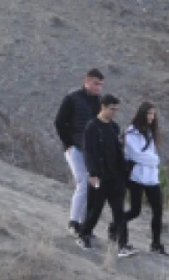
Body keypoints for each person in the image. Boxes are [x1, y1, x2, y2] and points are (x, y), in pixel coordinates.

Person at [77, 94, 136, 258]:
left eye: (116, 109)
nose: (114, 112)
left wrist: (124, 173)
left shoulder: (114, 127)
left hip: (116, 178)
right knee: (95, 210)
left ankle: (123, 245)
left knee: (119, 213)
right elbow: (88, 152)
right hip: (99, 176)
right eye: (112, 109)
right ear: (103, 107)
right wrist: (93, 173)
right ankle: (84, 235)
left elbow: (119, 152)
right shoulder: (92, 127)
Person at [54, 68, 104, 237]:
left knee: (92, 185)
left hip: (90, 151)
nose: (98, 87)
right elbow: (59, 122)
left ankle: (85, 224)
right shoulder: (72, 98)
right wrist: (68, 144)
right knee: (83, 182)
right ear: (87, 81)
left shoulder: (100, 102)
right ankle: (74, 222)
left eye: (101, 84)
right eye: (96, 83)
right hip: (74, 147)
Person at [123, 102, 168, 256]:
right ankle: (116, 225)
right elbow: (135, 155)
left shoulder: (151, 132)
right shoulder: (131, 132)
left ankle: (156, 243)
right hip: (136, 177)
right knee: (135, 211)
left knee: (158, 210)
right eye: (149, 113)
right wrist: (153, 160)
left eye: (153, 114)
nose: (151, 117)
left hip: (152, 178)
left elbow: (152, 155)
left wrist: (151, 160)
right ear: (142, 113)